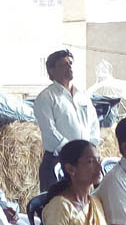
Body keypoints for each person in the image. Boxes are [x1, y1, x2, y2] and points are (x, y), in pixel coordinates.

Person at [34, 49, 102, 190]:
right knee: (57, 201)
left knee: (85, 200)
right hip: (58, 161)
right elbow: (49, 130)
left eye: (70, 63)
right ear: (51, 70)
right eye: (63, 65)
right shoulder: (46, 97)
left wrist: (90, 149)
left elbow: (94, 124)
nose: (69, 67)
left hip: (85, 160)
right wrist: (73, 153)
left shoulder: (82, 95)